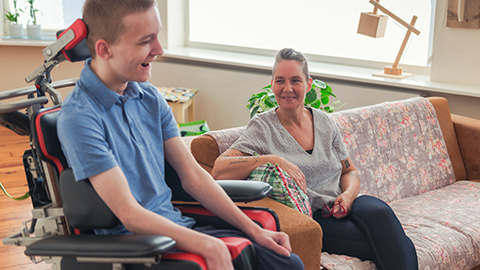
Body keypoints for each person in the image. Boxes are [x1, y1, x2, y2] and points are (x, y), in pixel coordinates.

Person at [56, 1, 304, 269]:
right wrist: (208, 245)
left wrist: (255, 230)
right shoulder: (80, 117)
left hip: (178, 226)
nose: (159, 50)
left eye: (157, 36)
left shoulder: (149, 97)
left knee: (288, 264)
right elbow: (129, 214)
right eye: (146, 41)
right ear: (105, 49)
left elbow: (194, 176)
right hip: (137, 247)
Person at [212, 48, 419, 270]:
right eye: (280, 81)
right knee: (394, 243)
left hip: (346, 204)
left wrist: (348, 196)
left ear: (308, 84)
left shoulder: (324, 122)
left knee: (381, 212)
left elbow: (349, 171)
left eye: (295, 81)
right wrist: (272, 159)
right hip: (316, 217)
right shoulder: (263, 127)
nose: (287, 88)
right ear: (272, 84)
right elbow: (219, 170)